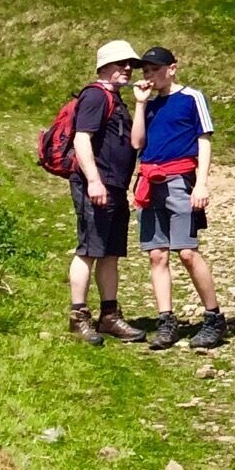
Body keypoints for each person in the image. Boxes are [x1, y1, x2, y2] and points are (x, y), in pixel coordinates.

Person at [129, 46, 231, 351]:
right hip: (149, 180)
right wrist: (138, 105)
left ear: (172, 68)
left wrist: (201, 184)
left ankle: (213, 317)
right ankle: (166, 321)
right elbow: (137, 142)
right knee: (157, 254)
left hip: (180, 180)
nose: (150, 75)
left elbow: (204, 140)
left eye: (155, 69)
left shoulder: (192, 98)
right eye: (146, 71)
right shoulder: (147, 105)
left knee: (186, 252)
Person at [68, 41, 145, 344]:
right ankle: (78, 317)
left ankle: (109, 317)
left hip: (114, 187)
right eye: (120, 63)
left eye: (129, 64)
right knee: (89, 250)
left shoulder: (116, 99)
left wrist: (140, 103)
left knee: (110, 253)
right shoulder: (95, 96)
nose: (127, 68)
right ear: (104, 67)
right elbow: (81, 139)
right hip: (98, 185)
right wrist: (94, 181)